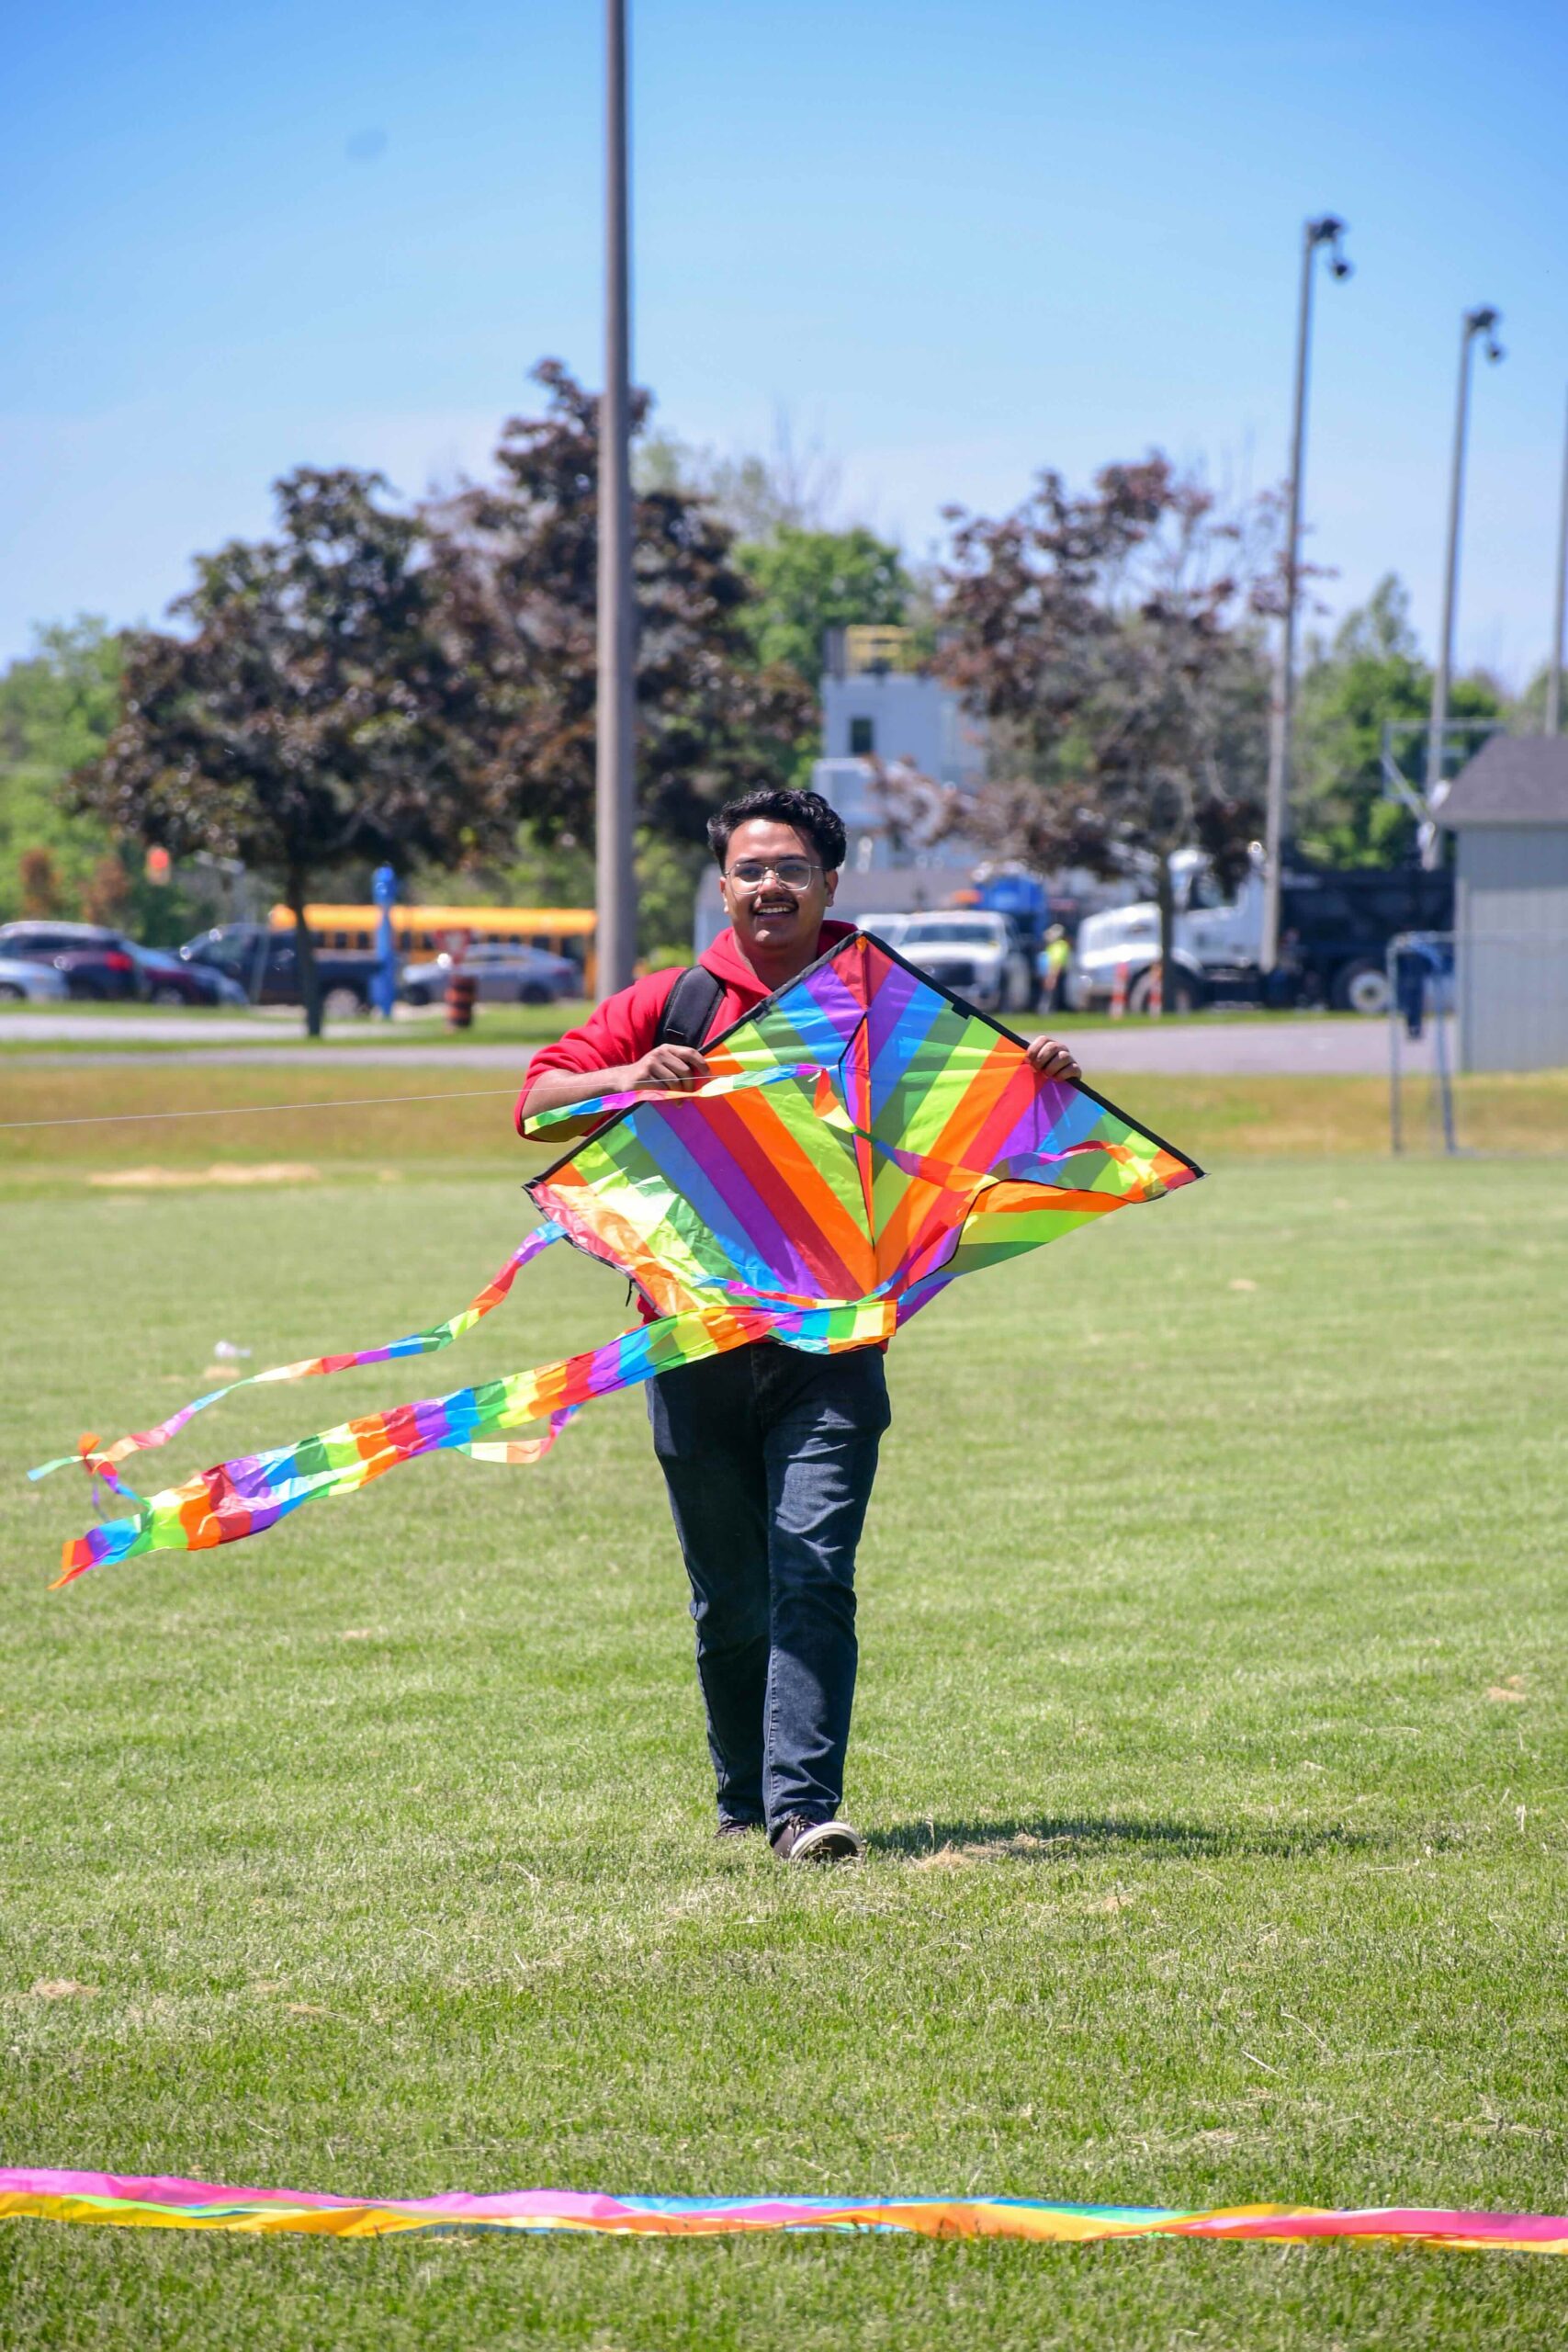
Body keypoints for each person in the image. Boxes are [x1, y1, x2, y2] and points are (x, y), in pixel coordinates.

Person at [517, 787, 1081, 1863]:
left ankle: (801, 1809)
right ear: (723, 886)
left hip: (833, 1341)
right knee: (730, 1595)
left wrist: (1041, 1075)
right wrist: (628, 1074)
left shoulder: (881, 1000)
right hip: (693, 1337)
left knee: (812, 1566)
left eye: (792, 868)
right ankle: (742, 1794)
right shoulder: (673, 1000)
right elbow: (537, 1102)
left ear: (830, 883)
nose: (770, 885)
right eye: (750, 869)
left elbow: (981, 1111)